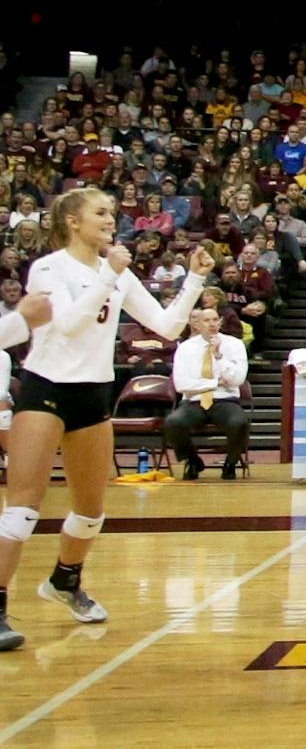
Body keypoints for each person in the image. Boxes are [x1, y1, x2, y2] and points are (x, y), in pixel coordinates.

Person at [2, 187, 202, 651]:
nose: (111, 219)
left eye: (112, 212)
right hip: (46, 388)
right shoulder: (50, 267)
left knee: (91, 512)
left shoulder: (116, 271)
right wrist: (109, 275)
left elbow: (168, 327)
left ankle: (64, 582)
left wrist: (192, 281)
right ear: (73, 221)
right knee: (22, 509)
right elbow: (67, 324)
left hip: (93, 393)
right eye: (100, 212)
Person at [166, 305, 250, 479]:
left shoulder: (235, 345)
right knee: (173, 422)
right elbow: (181, 384)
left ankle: (231, 462)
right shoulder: (185, 348)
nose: (211, 324)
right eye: (206, 320)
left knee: (240, 422)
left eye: (214, 320)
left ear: (220, 322)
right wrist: (214, 383)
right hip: (193, 401)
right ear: (196, 325)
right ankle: (193, 460)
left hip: (225, 400)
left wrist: (219, 355)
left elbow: (238, 379)